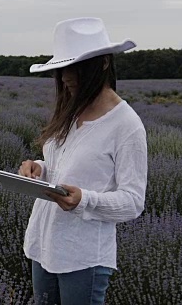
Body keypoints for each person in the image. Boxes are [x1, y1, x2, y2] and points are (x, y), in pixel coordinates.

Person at [18, 17, 147, 305]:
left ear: (102, 64)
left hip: (83, 258)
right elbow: (72, 165)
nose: (66, 77)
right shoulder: (69, 109)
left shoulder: (126, 125)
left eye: (75, 68)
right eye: (62, 69)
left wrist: (84, 200)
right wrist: (40, 168)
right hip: (44, 245)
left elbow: (133, 202)